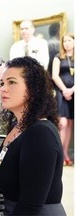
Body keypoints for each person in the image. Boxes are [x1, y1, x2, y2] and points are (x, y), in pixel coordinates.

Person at [0, 56, 66, 215]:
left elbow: (30, 205)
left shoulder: (40, 133)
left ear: (33, 89)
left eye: (11, 82)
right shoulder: (19, 127)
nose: (3, 89)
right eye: (2, 83)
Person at [52, 33, 74, 166]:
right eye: (64, 41)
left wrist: (72, 90)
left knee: (71, 124)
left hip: (74, 92)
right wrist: (65, 90)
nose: (66, 43)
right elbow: (55, 75)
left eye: (69, 40)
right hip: (61, 92)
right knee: (63, 123)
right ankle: (60, 154)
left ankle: (66, 153)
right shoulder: (58, 57)